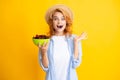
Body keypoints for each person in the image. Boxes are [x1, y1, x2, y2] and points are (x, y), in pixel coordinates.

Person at [38, 4, 87, 80]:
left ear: (66, 21)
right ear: (52, 22)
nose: (59, 22)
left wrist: (76, 43)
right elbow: (46, 68)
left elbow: (75, 64)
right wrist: (43, 52)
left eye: (63, 18)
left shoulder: (74, 39)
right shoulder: (46, 41)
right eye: (56, 19)